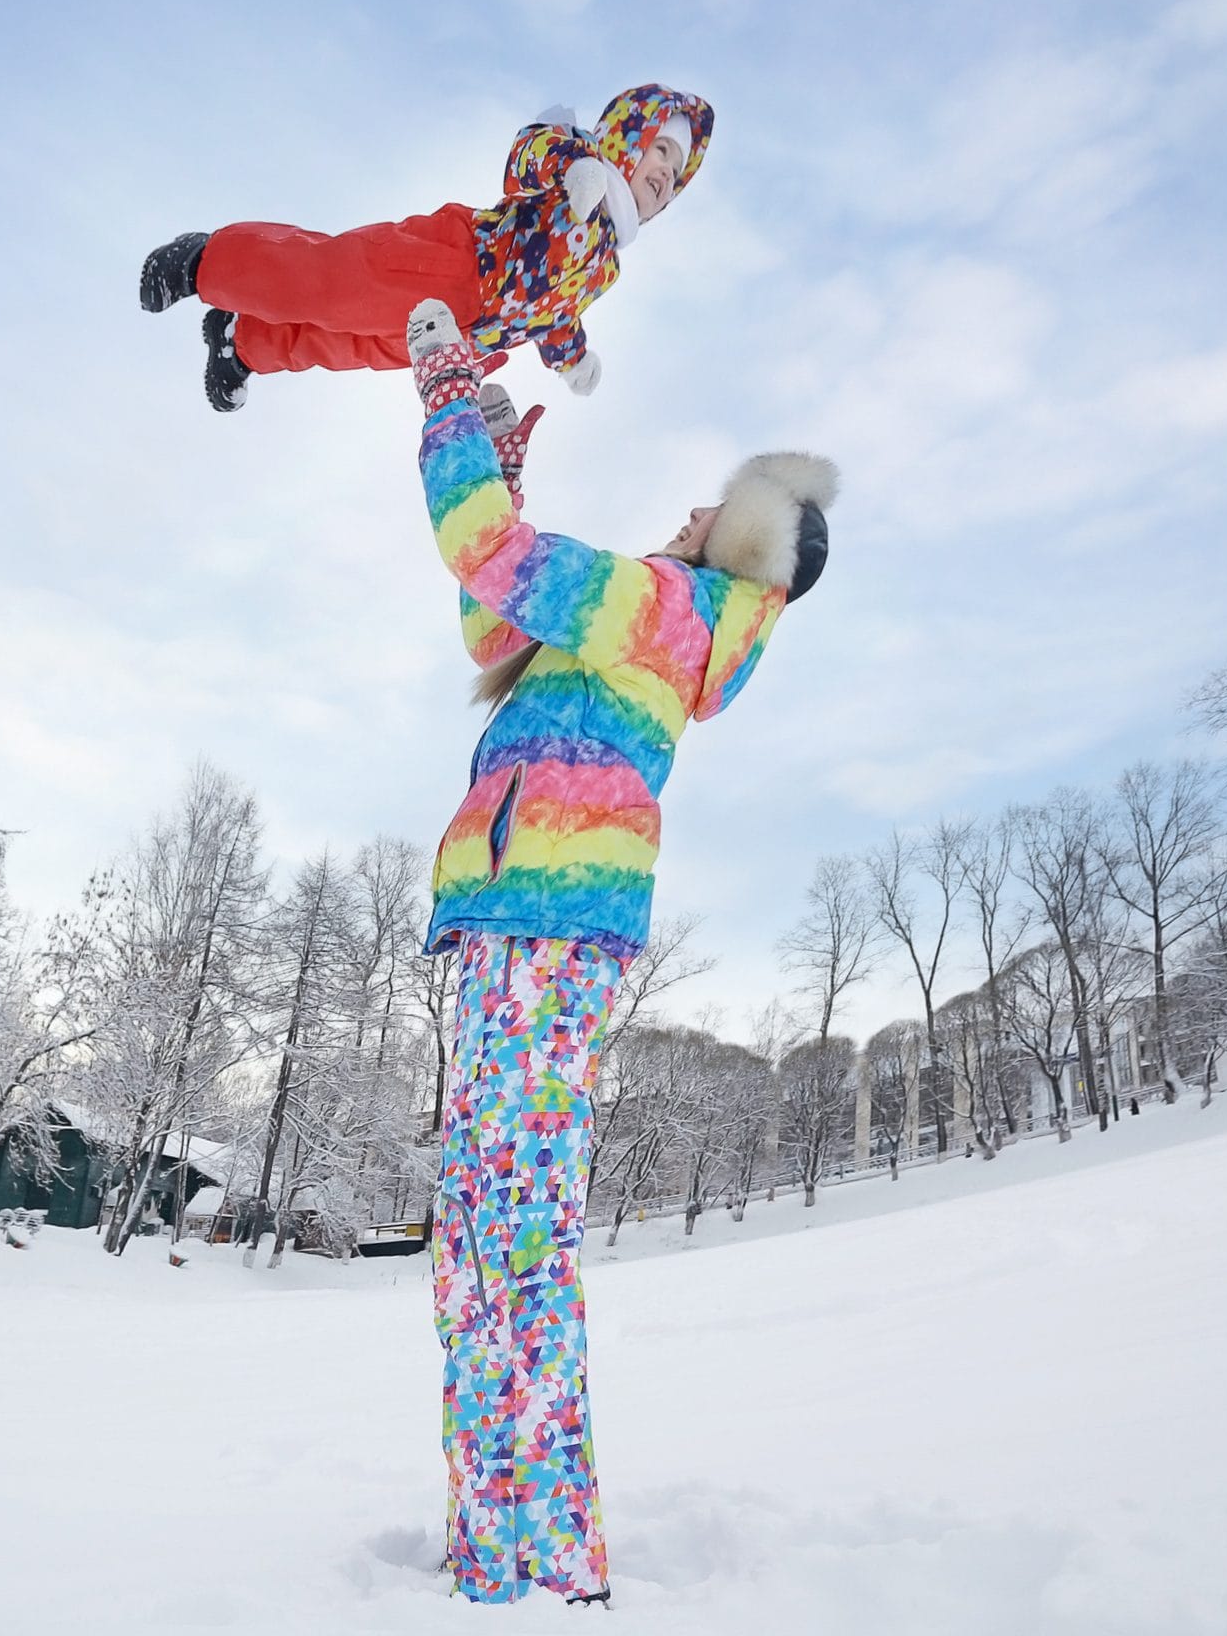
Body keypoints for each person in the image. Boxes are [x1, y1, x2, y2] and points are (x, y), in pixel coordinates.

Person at [402, 298, 836, 1606]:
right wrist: (501, 448)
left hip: (544, 923)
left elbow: (488, 553)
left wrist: (445, 405)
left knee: (513, 1235)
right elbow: (496, 624)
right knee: (479, 1237)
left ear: (742, 540)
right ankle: (498, 1546)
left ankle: (551, 1560)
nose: (694, 512)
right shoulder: (650, 619)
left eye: (719, 507)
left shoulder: (664, 605)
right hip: (516, 925)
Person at [137, 85, 713, 410]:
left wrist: (572, 356)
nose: (665, 172)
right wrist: (573, 165)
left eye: (675, 172)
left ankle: (242, 344)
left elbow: (556, 315)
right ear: (630, 134)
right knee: (332, 285)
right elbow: (523, 158)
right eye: (661, 149)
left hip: (461, 337)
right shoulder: (578, 160)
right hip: (458, 263)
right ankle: (206, 261)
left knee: (346, 344)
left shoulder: (605, 266)